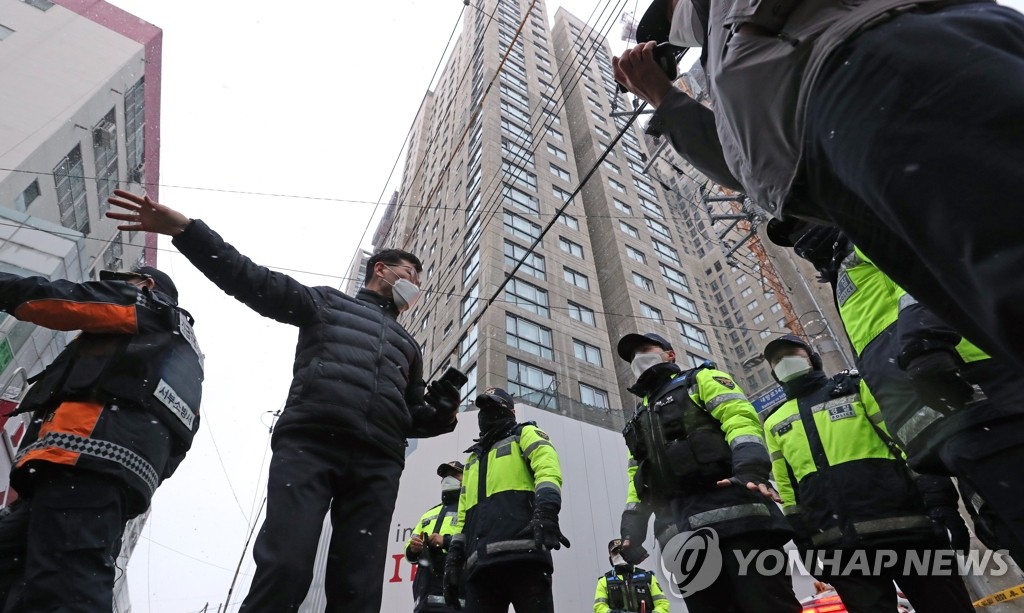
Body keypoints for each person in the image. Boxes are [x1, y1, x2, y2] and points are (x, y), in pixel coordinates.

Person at [613, 0, 1024, 375]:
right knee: (997, 305)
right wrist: (664, 97)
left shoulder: (734, 24)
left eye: (668, 19)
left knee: (1005, 259)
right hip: (836, 176)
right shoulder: (723, 60)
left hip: (869, 70)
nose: (672, 32)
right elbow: (739, 162)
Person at [106, 189, 461, 613]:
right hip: (310, 445)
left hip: (378, 463)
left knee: (360, 586)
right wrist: (186, 231)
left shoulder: (409, 345)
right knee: (286, 567)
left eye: (420, 281)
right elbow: (251, 279)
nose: (416, 286)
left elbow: (411, 416)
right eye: (410, 274)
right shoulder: (326, 303)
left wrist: (441, 414)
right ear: (381, 271)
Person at [765, 221, 1024, 551]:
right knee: (1004, 524)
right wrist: (943, 499)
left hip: (977, 395)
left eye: (800, 222)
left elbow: (922, 276)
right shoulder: (841, 270)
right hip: (948, 426)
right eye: (792, 235)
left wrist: (924, 342)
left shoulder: (866, 234)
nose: (799, 238)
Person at [0, 266, 203, 612]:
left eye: (119, 281)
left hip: (82, 459)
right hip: (110, 480)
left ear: (145, 284)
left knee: (65, 592)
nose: (108, 286)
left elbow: (60, 302)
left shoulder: (146, 304)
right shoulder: (186, 356)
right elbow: (178, 445)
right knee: (32, 572)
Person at [762, 334, 975, 613]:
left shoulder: (855, 387)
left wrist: (941, 505)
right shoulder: (774, 422)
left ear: (812, 359)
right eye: (777, 361)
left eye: (792, 354)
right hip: (840, 548)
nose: (784, 363)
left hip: (909, 531)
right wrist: (805, 546)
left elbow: (908, 446)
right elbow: (789, 494)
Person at [616, 332, 800, 613]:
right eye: (632, 356)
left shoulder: (700, 380)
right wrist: (632, 526)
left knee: (767, 605)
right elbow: (638, 477)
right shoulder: (638, 417)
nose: (639, 358)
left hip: (740, 523)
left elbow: (738, 417)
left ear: (670, 354)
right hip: (682, 538)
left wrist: (750, 466)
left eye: (645, 349)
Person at [443, 387, 569, 612]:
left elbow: (548, 471)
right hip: (480, 567)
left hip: (524, 556)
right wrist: (453, 559)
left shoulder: (525, 434)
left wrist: (547, 510)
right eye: (483, 409)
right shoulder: (472, 459)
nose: (486, 414)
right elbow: (462, 516)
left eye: (494, 407)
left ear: (511, 411)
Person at [406, 461, 465, 612]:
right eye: (445, 476)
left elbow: (475, 542)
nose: (448, 479)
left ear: (467, 478)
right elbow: (409, 551)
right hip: (426, 584)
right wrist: (413, 548)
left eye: (454, 474)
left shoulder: (471, 509)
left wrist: (445, 541)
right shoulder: (429, 513)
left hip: (456, 577)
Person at [593, 539, 671, 613]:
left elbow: (663, 604)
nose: (619, 555)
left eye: (622, 551)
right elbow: (599, 607)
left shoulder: (648, 578)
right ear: (611, 559)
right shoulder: (604, 581)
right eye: (615, 552)